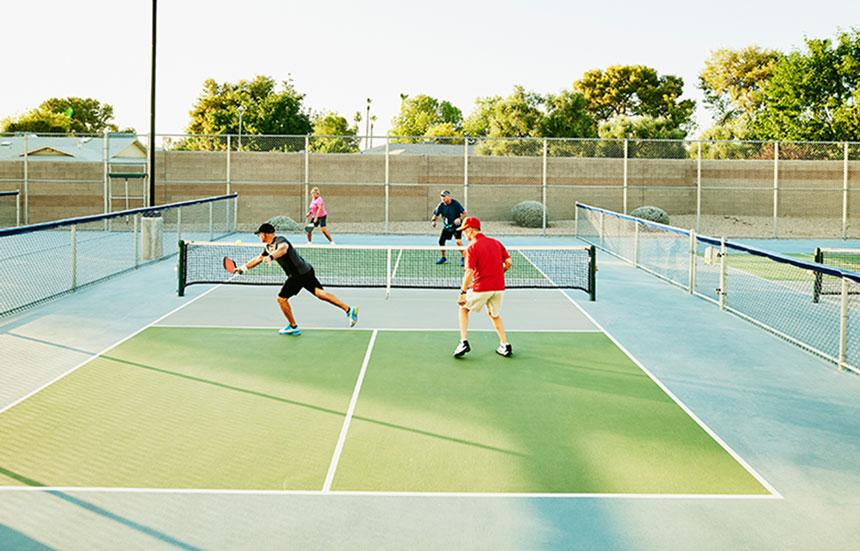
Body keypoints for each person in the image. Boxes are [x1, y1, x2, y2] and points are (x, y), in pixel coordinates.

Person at [235, 223, 358, 335]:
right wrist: (243, 268)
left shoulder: (280, 241)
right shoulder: (268, 247)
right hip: (306, 270)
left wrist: (271, 257)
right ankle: (349, 309)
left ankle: (293, 326)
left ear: (265, 234)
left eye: (259, 235)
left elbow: (283, 249)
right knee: (320, 293)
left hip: (297, 274)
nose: (259, 237)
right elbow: (258, 259)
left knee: (281, 299)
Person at [453, 217, 512, 358]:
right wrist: (498, 274)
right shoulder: (497, 243)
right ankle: (505, 344)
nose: (464, 234)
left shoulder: (472, 247)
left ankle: (463, 342)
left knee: (463, 308)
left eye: (464, 231)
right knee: (494, 314)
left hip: (482, 288)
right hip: (499, 288)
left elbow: (469, 272)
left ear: (470, 230)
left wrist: (463, 292)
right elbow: (509, 262)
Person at [430, 190, 467, 265]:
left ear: (448, 197)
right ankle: (443, 258)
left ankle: (464, 257)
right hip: (447, 227)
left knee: (458, 242)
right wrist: (433, 221)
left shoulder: (455, 204)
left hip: (456, 226)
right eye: (441, 196)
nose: (442, 198)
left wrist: (459, 219)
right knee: (441, 242)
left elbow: (464, 213)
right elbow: (435, 215)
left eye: (444, 196)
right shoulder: (441, 205)